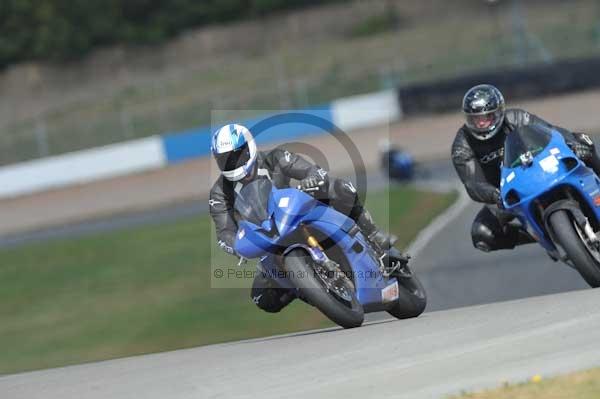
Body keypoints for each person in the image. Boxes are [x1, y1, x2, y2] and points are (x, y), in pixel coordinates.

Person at [209, 123, 399, 313]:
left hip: (298, 212)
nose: (233, 163)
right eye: (225, 160)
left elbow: (310, 170)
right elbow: (224, 231)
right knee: (262, 297)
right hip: (267, 237)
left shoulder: (275, 158)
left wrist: (313, 178)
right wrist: (237, 246)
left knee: (341, 188)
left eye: (237, 155)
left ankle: (374, 235)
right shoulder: (219, 193)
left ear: (249, 146)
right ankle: (312, 289)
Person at [452, 84, 600, 252]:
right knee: (482, 234)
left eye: (487, 117)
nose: (481, 123)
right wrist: (494, 195)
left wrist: (573, 144)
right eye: (475, 119)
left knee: (583, 140)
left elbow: (551, 132)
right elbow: (473, 183)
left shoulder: (517, 117)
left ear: (499, 112)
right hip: (507, 196)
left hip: (540, 169)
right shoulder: (462, 145)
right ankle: (539, 235)